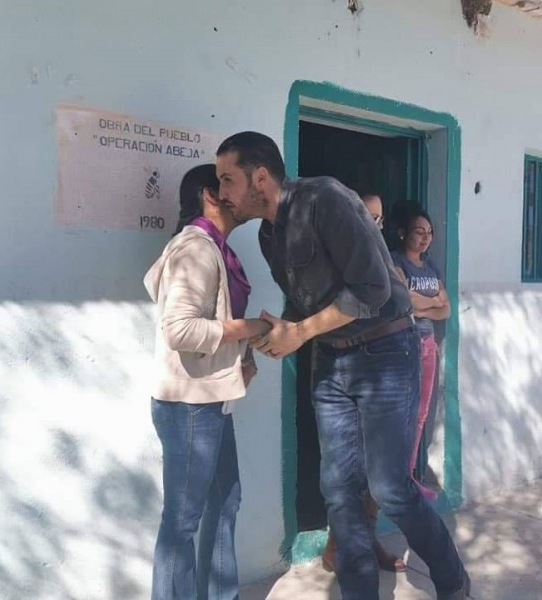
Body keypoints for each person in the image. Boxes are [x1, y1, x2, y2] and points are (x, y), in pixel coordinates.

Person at [215, 132, 470, 600]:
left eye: (228, 179)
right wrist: (276, 331)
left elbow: (372, 290)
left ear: (260, 177)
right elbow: (306, 301)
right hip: (331, 360)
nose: (223, 192)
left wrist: (300, 332)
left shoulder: (325, 199)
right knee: (338, 489)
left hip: (385, 352)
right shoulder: (270, 234)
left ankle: (453, 580)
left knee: (390, 488)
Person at [144, 164, 270, 600]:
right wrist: (252, 328)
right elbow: (180, 330)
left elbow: (215, 320)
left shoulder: (216, 249)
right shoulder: (197, 249)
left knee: (226, 500)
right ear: (209, 195)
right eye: (230, 185)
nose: (243, 195)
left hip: (212, 400)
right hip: (190, 407)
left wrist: (243, 357)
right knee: (182, 522)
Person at [320, 190, 406, 574]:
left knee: (378, 468)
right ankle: (336, 545)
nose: (374, 225)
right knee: (343, 470)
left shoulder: (387, 259)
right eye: (366, 217)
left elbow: (410, 303)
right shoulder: (337, 256)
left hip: (386, 371)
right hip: (341, 368)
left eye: (379, 219)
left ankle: (367, 542)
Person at [392, 204, 450, 498]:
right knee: (400, 410)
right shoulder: (396, 262)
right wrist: (432, 302)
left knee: (421, 412)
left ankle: (409, 475)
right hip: (404, 344)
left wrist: (421, 305)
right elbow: (404, 302)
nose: (426, 238)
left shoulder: (431, 267)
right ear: (403, 233)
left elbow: (446, 308)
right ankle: (392, 476)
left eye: (429, 233)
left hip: (428, 344)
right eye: (419, 232)